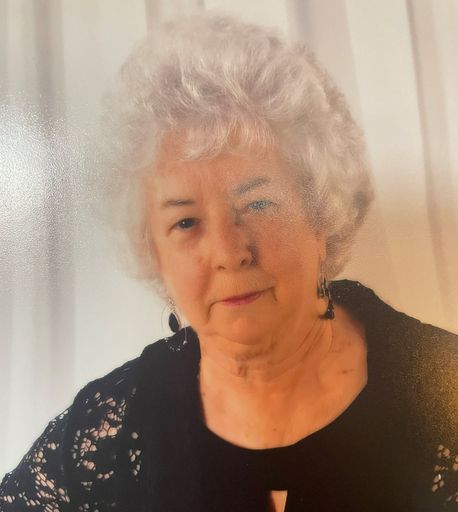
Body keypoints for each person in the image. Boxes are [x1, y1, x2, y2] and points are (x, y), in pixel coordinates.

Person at [1, 13, 457, 512]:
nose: (228, 251)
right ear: (155, 255)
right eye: (185, 222)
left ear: (320, 216)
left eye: (258, 204)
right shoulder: (111, 431)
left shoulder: (443, 394)